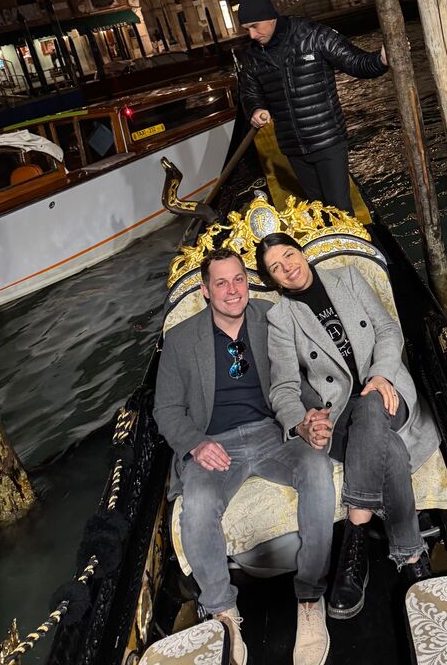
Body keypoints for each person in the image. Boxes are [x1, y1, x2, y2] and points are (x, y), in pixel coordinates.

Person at [154, 248, 336, 665]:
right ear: (205, 291)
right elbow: (165, 410)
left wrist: (311, 416)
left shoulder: (272, 316)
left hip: (274, 432)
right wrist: (197, 443)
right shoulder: (181, 340)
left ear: (247, 282)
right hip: (214, 443)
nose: (232, 290)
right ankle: (224, 613)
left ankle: (310, 599)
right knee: (196, 506)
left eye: (238, 279)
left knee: (317, 469)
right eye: (221, 282)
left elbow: (303, 375)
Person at [255, 233, 440, 621]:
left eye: (290, 254)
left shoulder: (350, 278)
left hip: (388, 391)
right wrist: (299, 424)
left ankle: (354, 542)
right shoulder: (281, 318)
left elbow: (389, 332)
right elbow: (284, 387)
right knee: (383, 440)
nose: (288, 266)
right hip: (339, 415)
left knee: (373, 406)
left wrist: (381, 375)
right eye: (276, 267)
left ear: (301, 253)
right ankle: (409, 552)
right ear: (274, 281)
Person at [237, 0, 388, 213]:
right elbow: (250, 92)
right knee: (318, 209)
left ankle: (351, 246)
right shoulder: (252, 57)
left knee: (340, 209)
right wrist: (256, 108)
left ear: (271, 18)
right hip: (293, 147)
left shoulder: (313, 34)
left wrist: (382, 60)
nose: (251, 35)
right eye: (247, 29)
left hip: (327, 139)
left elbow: (355, 62)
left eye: (255, 26)